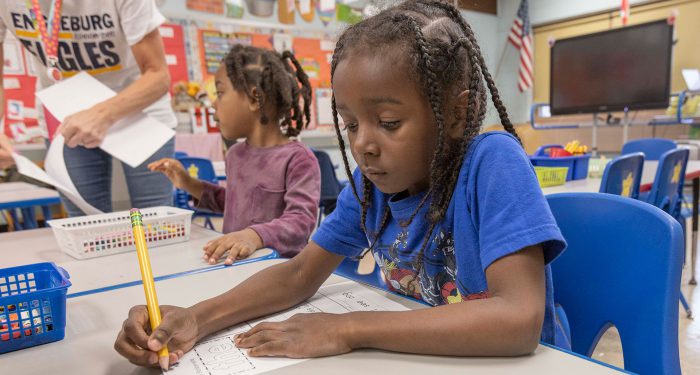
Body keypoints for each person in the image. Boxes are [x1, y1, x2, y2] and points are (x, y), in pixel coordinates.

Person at [114, 0, 568, 369]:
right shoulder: (371, 189)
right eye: (350, 125)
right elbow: (298, 274)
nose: (363, 145)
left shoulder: (492, 164)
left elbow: (517, 319)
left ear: (453, 113)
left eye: (388, 122)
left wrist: (345, 328)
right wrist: (196, 317)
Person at [0, 0, 177, 215]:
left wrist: (102, 113)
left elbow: (158, 76)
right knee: (85, 226)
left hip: (139, 106)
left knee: (156, 221)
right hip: (64, 111)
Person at [148, 45, 321, 263]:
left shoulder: (298, 159)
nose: (212, 103)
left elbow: (300, 222)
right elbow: (232, 203)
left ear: (253, 99)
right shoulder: (236, 154)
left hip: (279, 271)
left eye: (220, 93)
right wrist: (188, 183)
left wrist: (254, 236)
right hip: (235, 266)